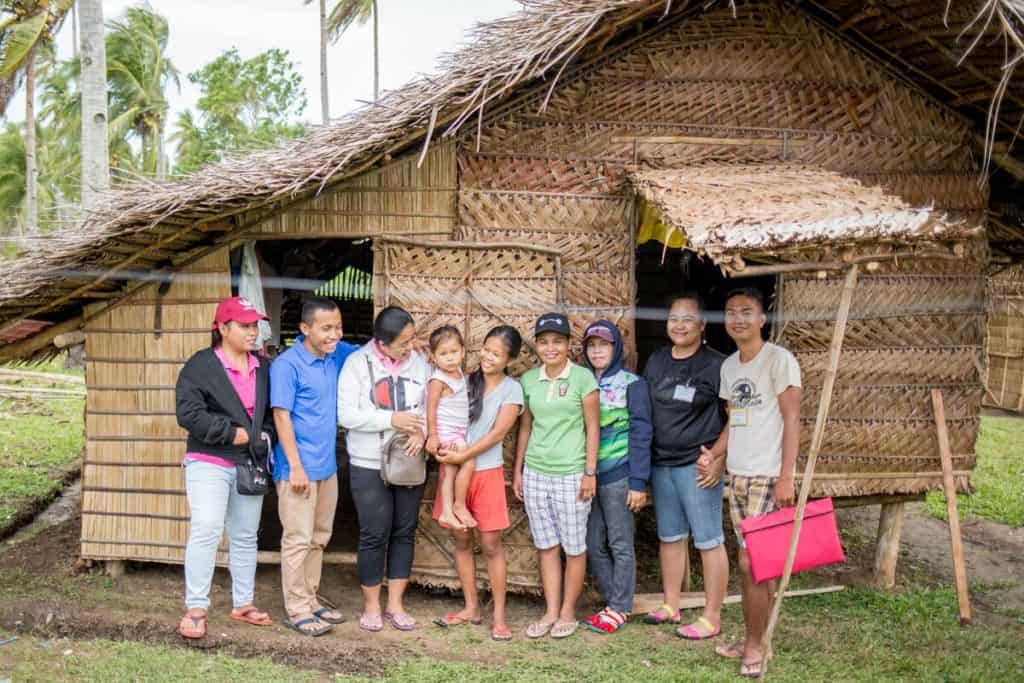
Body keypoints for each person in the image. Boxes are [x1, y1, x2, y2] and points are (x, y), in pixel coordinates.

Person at [175, 296, 276, 639]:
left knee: (246, 535)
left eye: (255, 325)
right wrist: (231, 434)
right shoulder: (200, 366)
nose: (253, 332)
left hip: (249, 462)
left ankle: (243, 603)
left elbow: (267, 416)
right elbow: (188, 414)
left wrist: (262, 437)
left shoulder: (263, 367)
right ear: (222, 328)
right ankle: (196, 608)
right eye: (246, 326)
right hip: (208, 460)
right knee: (206, 527)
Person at [714, 287, 801, 678]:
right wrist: (715, 453)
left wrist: (787, 475)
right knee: (757, 566)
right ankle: (756, 639)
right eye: (731, 312)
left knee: (751, 564)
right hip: (738, 476)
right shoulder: (730, 366)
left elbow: (793, 419)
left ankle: (753, 646)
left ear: (762, 319)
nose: (738, 319)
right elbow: (736, 419)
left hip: (768, 475)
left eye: (747, 312)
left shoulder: (779, 361)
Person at [642, 294, 730, 641]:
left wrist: (719, 457)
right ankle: (671, 604)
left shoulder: (718, 365)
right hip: (660, 463)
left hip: (697, 466)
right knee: (670, 536)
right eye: (673, 318)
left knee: (708, 539)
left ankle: (712, 615)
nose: (679, 325)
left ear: (703, 325)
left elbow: (737, 417)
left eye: (688, 319)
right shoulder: (657, 360)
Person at [338, 305, 431, 633]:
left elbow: (430, 405)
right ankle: (372, 605)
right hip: (368, 462)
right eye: (403, 342)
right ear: (381, 342)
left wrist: (423, 432)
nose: (410, 346)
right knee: (374, 534)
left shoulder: (420, 364)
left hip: (408, 459)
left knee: (404, 532)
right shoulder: (357, 365)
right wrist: (390, 419)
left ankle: (395, 604)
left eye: (411, 339)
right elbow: (346, 415)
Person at [431, 325, 524, 641]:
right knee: (460, 540)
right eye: (485, 348)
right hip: (453, 471)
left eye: (496, 353)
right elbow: (440, 409)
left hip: (486, 472)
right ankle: (471, 607)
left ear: (509, 359)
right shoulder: (464, 380)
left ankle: (499, 616)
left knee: (491, 545)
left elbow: (498, 433)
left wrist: (464, 455)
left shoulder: (512, 390)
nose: (487, 356)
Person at [270, 296, 356, 637]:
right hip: (298, 468)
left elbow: (373, 353)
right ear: (305, 329)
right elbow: (281, 415)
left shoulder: (336, 355)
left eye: (337, 326)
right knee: (298, 538)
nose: (334, 334)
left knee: (319, 538)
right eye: (326, 328)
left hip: (326, 466)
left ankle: (310, 597)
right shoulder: (287, 365)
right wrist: (295, 466)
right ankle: (297, 609)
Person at [514, 312, 600, 640]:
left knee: (574, 547)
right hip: (536, 472)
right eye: (544, 341)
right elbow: (526, 427)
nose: (551, 348)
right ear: (537, 345)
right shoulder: (529, 381)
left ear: (568, 345)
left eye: (558, 342)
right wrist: (519, 470)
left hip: (571, 473)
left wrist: (589, 472)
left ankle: (567, 611)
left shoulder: (582, 379)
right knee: (547, 545)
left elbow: (593, 427)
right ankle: (550, 610)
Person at [579, 320, 652, 635]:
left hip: (619, 474)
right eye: (592, 345)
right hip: (588, 477)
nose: (597, 351)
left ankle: (619, 607)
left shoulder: (631, 383)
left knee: (620, 542)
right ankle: (614, 601)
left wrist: (638, 482)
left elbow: (642, 432)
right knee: (593, 543)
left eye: (603, 345)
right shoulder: (581, 381)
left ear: (616, 348)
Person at [424, 325, 475, 530]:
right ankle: (459, 505)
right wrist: (433, 436)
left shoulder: (459, 373)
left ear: (462, 351)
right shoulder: (438, 379)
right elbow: (431, 407)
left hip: (458, 432)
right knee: (469, 461)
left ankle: (446, 512)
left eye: (454, 352)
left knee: (450, 470)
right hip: (446, 433)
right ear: (434, 358)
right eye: (443, 354)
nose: (450, 358)